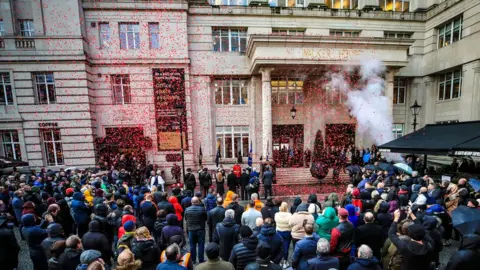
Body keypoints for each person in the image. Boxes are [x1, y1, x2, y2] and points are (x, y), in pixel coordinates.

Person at [184, 196, 207, 264]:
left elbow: (186, 219)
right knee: (201, 245)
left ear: (191, 202)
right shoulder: (202, 209)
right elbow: (205, 218)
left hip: (191, 230)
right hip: (200, 229)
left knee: (192, 245)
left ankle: (193, 260)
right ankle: (201, 259)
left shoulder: (187, 209)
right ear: (198, 202)